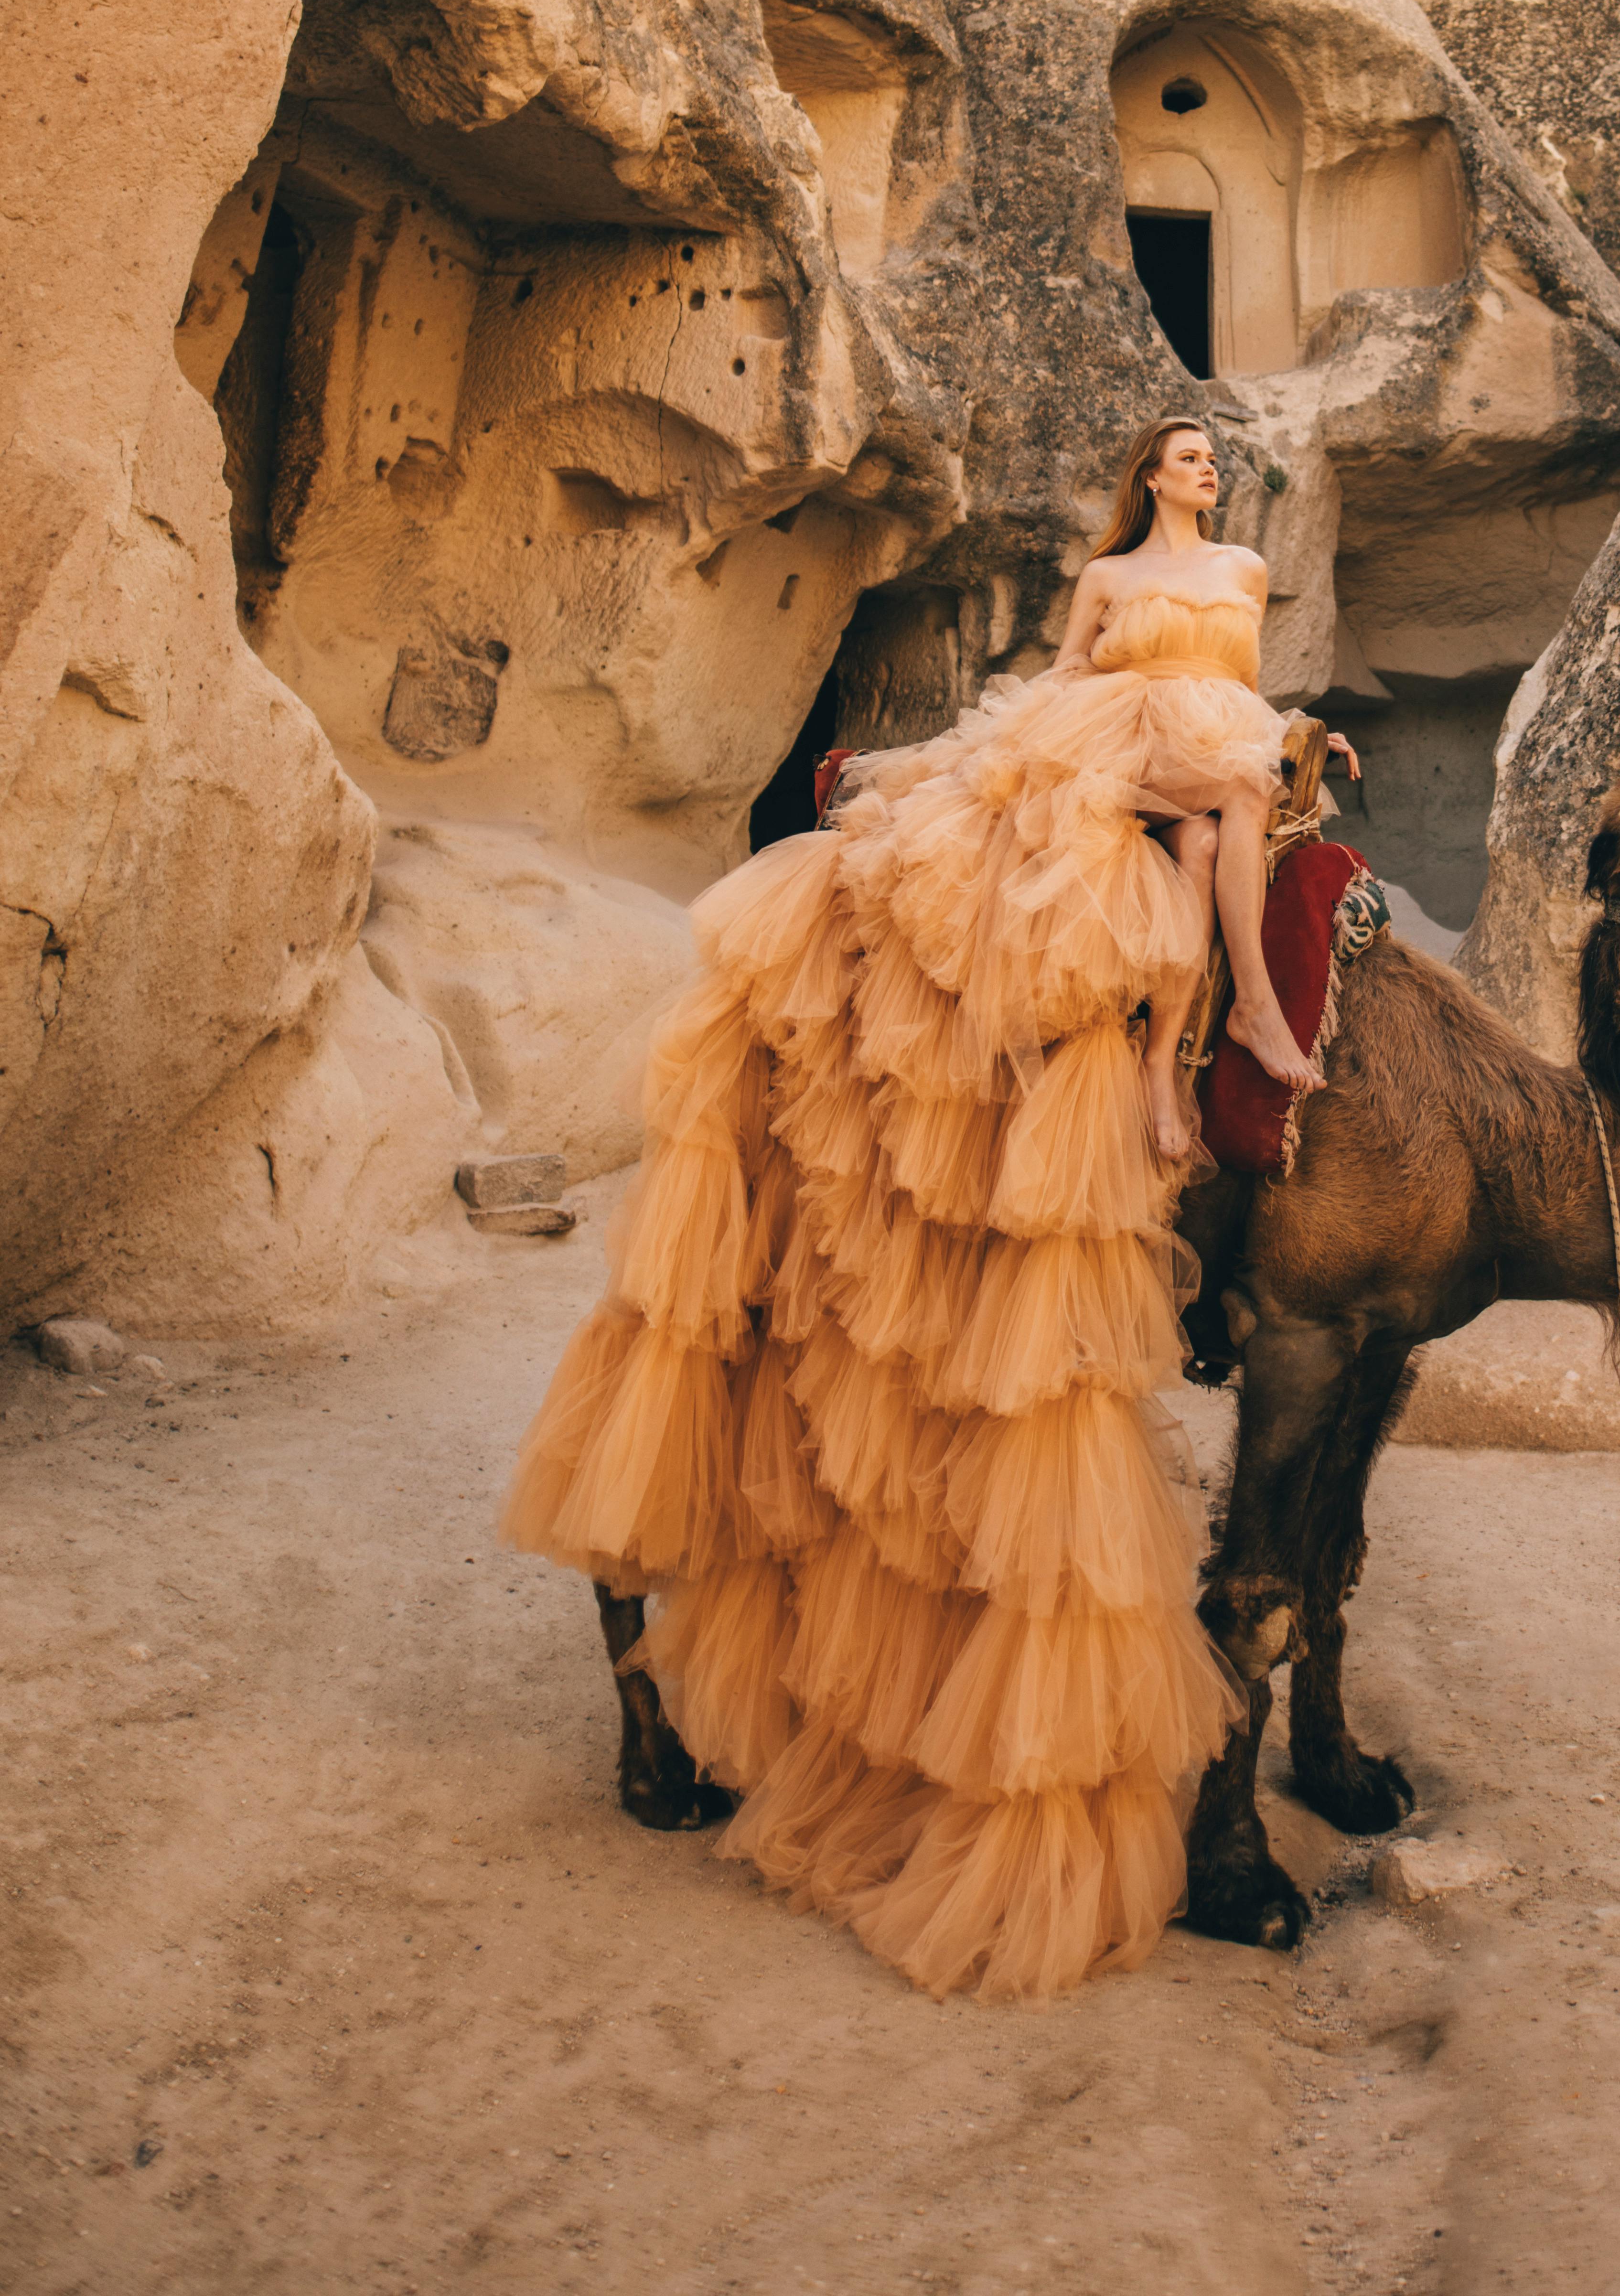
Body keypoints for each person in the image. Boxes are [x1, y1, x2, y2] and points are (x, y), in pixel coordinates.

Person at [501, 415, 1348, 2001]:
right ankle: (1216, 1029)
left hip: (1219, 752)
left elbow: (1244, 693)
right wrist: (1127, 738)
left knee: (1240, 802)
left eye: (1209, 458)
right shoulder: (1109, 577)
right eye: (1179, 455)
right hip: (1123, 748)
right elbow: (1066, 672)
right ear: (1147, 477)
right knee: (1191, 828)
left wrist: (1277, 740)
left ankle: (1218, 1018)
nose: (1201, 471)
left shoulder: (1242, 569)